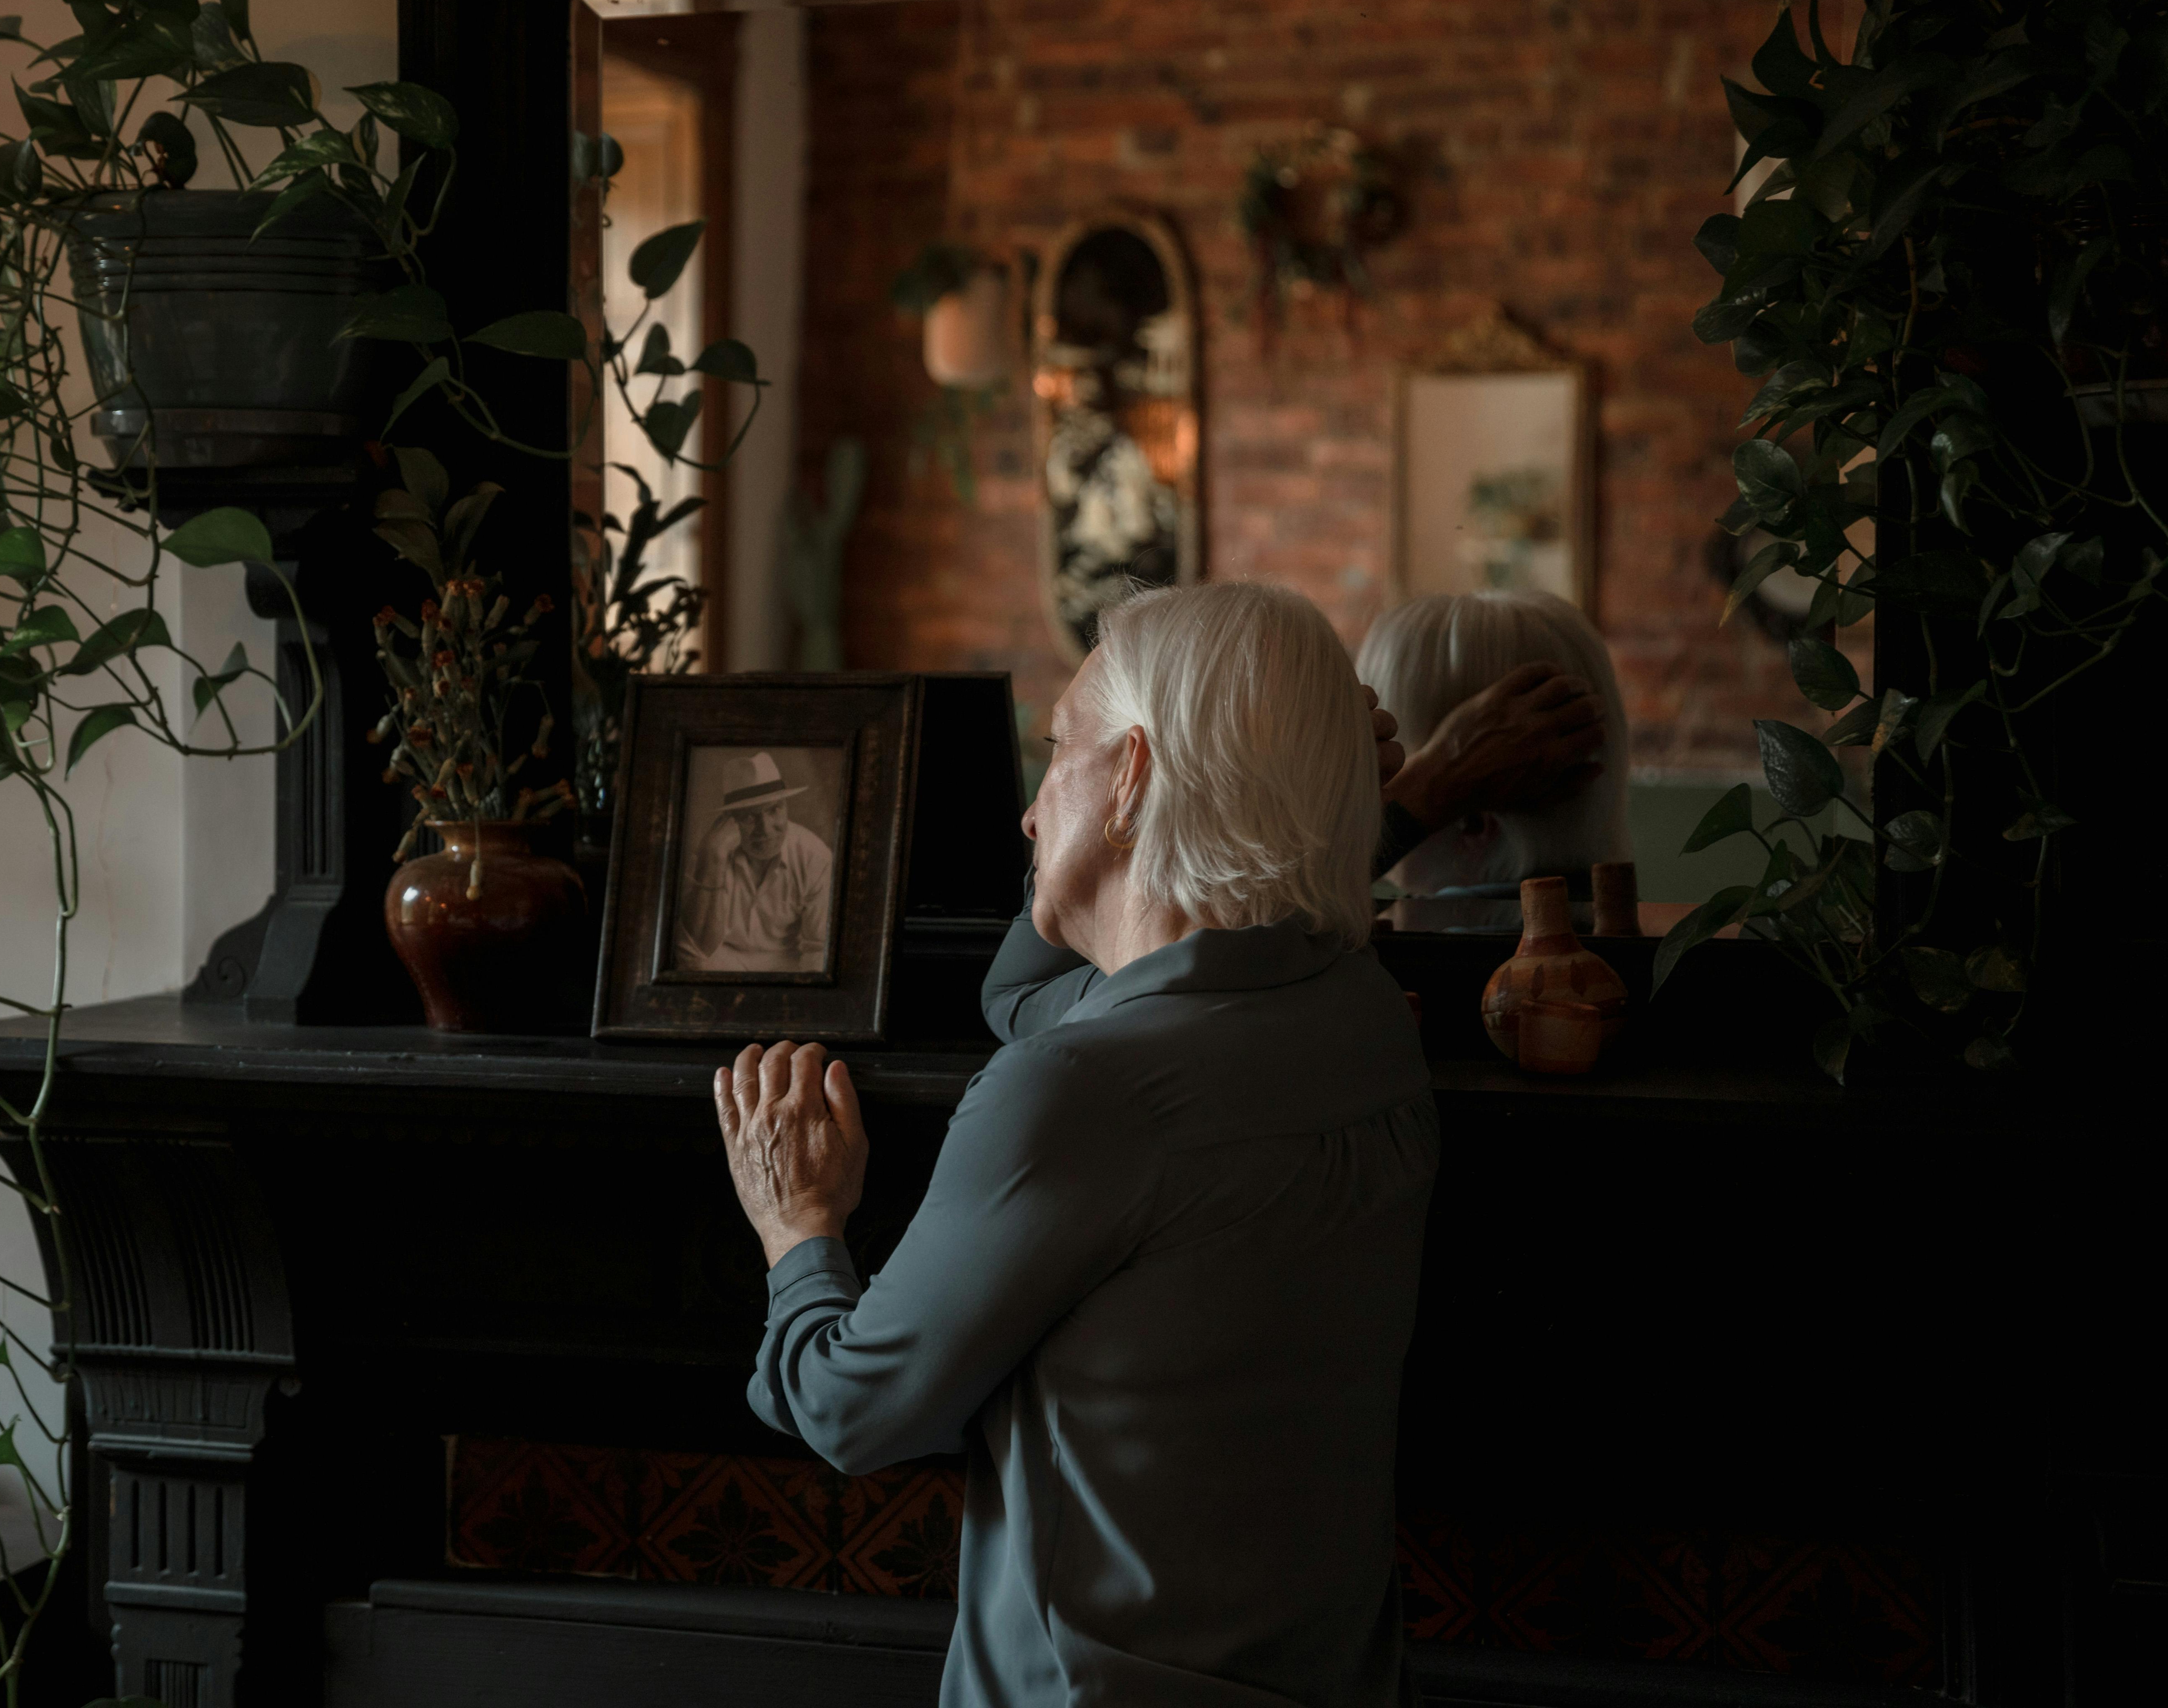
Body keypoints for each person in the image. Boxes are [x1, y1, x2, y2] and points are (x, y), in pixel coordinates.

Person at [714, 579, 1439, 1708]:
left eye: (1058, 754)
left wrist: (796, 1225)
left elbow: (852, 1411)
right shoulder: (1355, 1014)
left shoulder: (1084, 1092)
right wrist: (1308, 790)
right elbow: (1031, 991)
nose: (1029, 807)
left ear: (1135, 778)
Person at [1356, 591, 1628, 926]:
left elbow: (1285, 906)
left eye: (1385, 771)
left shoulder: (1418, 964)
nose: (1367, 799)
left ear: (1474, 825)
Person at [675, 750, 834, 971]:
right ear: (731, 820)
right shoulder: (712, 853)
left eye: (774, 810)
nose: (766, 830)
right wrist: (713, 860)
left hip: (787, 973)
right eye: (750, 816)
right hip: (723, 969)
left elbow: (818, 951)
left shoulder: (816, 858)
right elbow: (695, 949)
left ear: (786, 807)